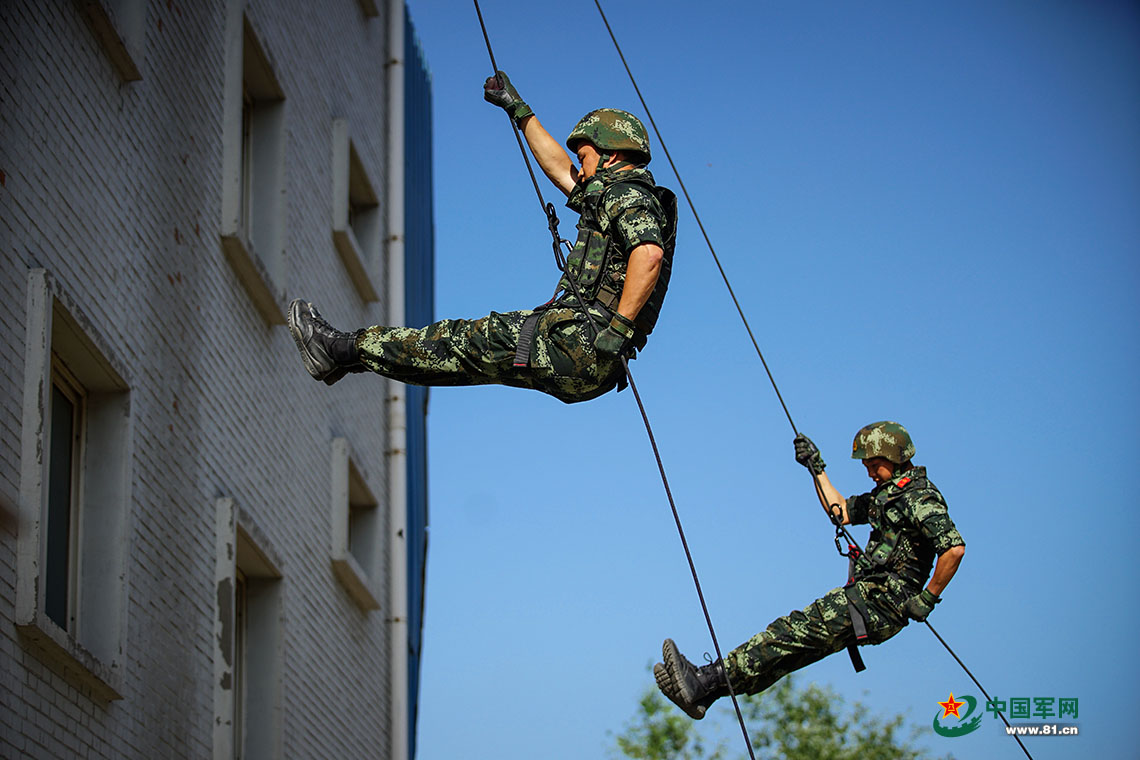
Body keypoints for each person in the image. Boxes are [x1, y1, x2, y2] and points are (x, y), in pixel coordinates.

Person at [287, 72, 677, 404]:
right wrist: (518, 109)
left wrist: (619, 328)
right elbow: (560, 169)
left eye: (588, 157)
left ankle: (342, 348)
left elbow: (649, 254)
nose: (582, 168)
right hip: (589, 358)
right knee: (462, 359)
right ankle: (345, 355)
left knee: (460, 341)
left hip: (581, 342)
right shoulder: (607, 195)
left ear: (610, 158)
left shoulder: (628, 195)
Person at [655, 421, 966, 719]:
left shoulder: (919, 497)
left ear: (896, 457)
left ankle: (705, 679)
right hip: (871, 600)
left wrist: (928, 598)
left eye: (874, 464)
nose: (870, 472)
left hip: (882, 600)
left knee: (789, 632)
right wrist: (816, 467)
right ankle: (707, 694)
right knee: (791, 653)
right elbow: (841, 511)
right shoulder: (887, 495)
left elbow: (953, 548)